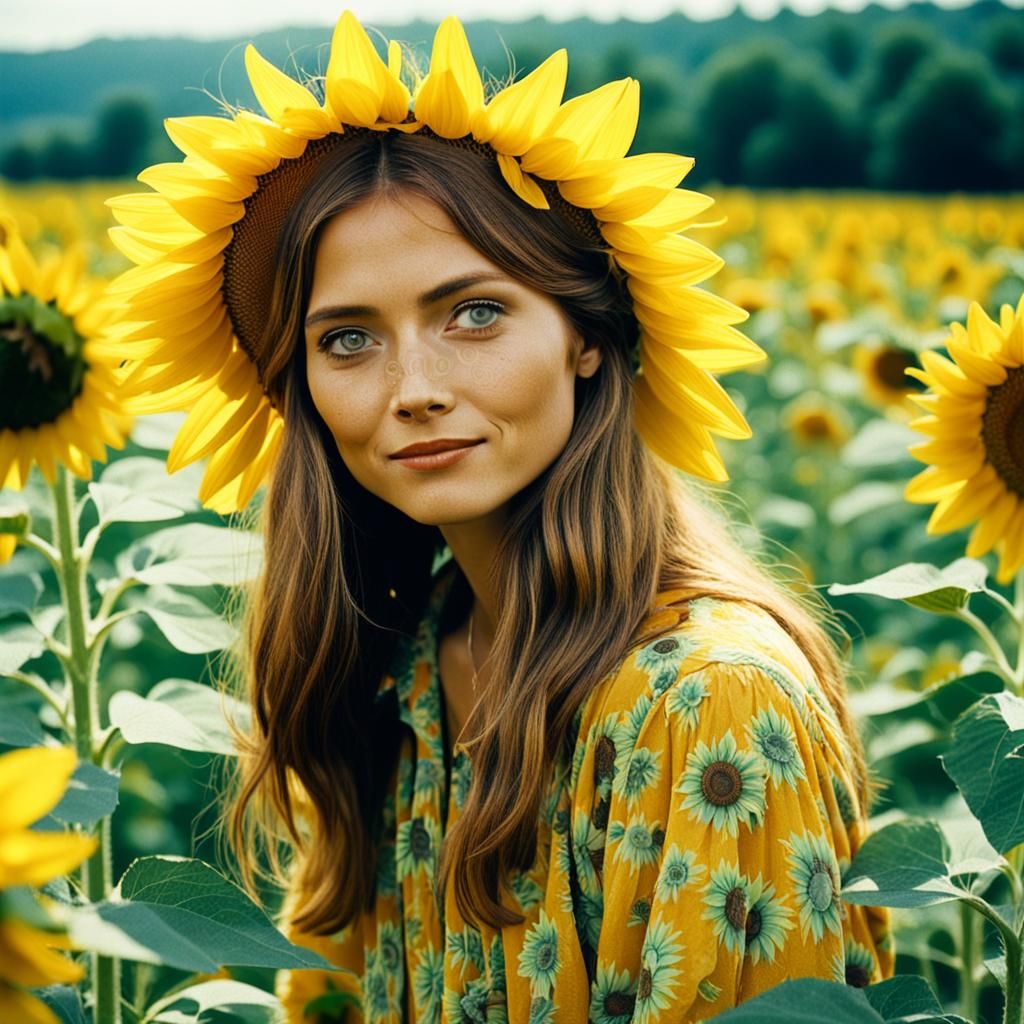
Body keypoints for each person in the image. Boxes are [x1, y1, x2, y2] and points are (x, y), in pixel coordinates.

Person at [107, 11, 893, 1021]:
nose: (415, 388)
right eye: (347, 340)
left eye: (473, 312)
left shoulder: (706, 700)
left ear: (589, 334)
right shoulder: (400, 659)